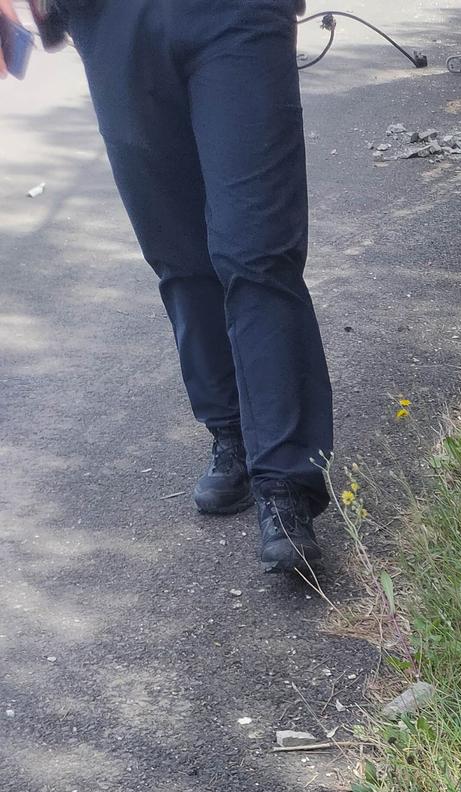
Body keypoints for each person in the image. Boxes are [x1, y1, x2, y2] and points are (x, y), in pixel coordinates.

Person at [2, 0, 333, 575]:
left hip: (236, 13)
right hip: (107, 19)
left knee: (258, 251)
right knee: (177, 252)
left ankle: (284, 482)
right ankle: (231, 431)